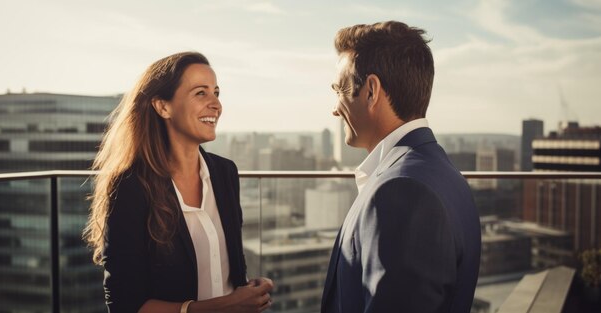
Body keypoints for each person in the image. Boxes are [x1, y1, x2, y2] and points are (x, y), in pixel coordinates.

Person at [83, 52, 273, 313]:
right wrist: (223, 305)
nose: (216, 104)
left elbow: (226, 269)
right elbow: (124, 304)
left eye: (216, 92)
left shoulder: (225, 173)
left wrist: (247, 291)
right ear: (163, 107)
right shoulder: (130, 186)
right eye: (201, 93)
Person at [320, 21, 481, 312]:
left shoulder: (401, 192)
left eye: (340, 89)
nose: (334, 108)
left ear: (371, 91)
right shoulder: (444, 173)